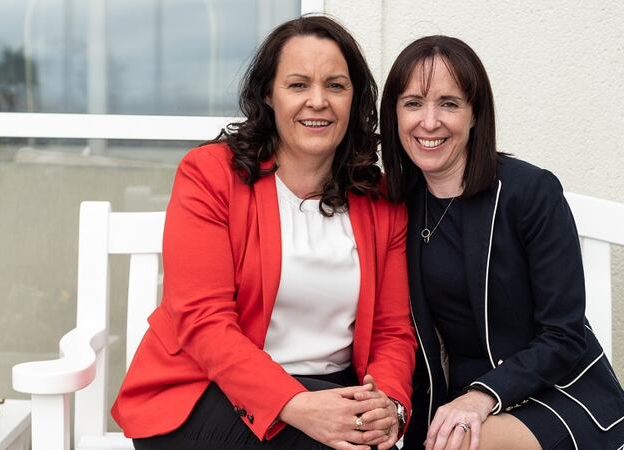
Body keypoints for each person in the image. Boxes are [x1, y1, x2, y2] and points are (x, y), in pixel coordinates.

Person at [111, 16, 416, 450]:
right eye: (297, 85)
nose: (318, 101)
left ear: (355, 98)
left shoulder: (381, 198)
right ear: (268, 95)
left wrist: (389, 404)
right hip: (204, 391)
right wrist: (294, 403)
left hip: (330, 391)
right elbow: (204, 322)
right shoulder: (210, 176)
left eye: (335, 85)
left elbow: (392, 332)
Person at [380, 36, 624, 450]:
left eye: (449, 103)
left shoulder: (529, 192)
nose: (429, 122)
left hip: (557, 391)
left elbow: (564, 334)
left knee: (454, 445)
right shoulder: (397, 201)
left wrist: (484, 395)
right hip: (454, 404)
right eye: (413, 103)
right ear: (394, 114)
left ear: (475, 113)